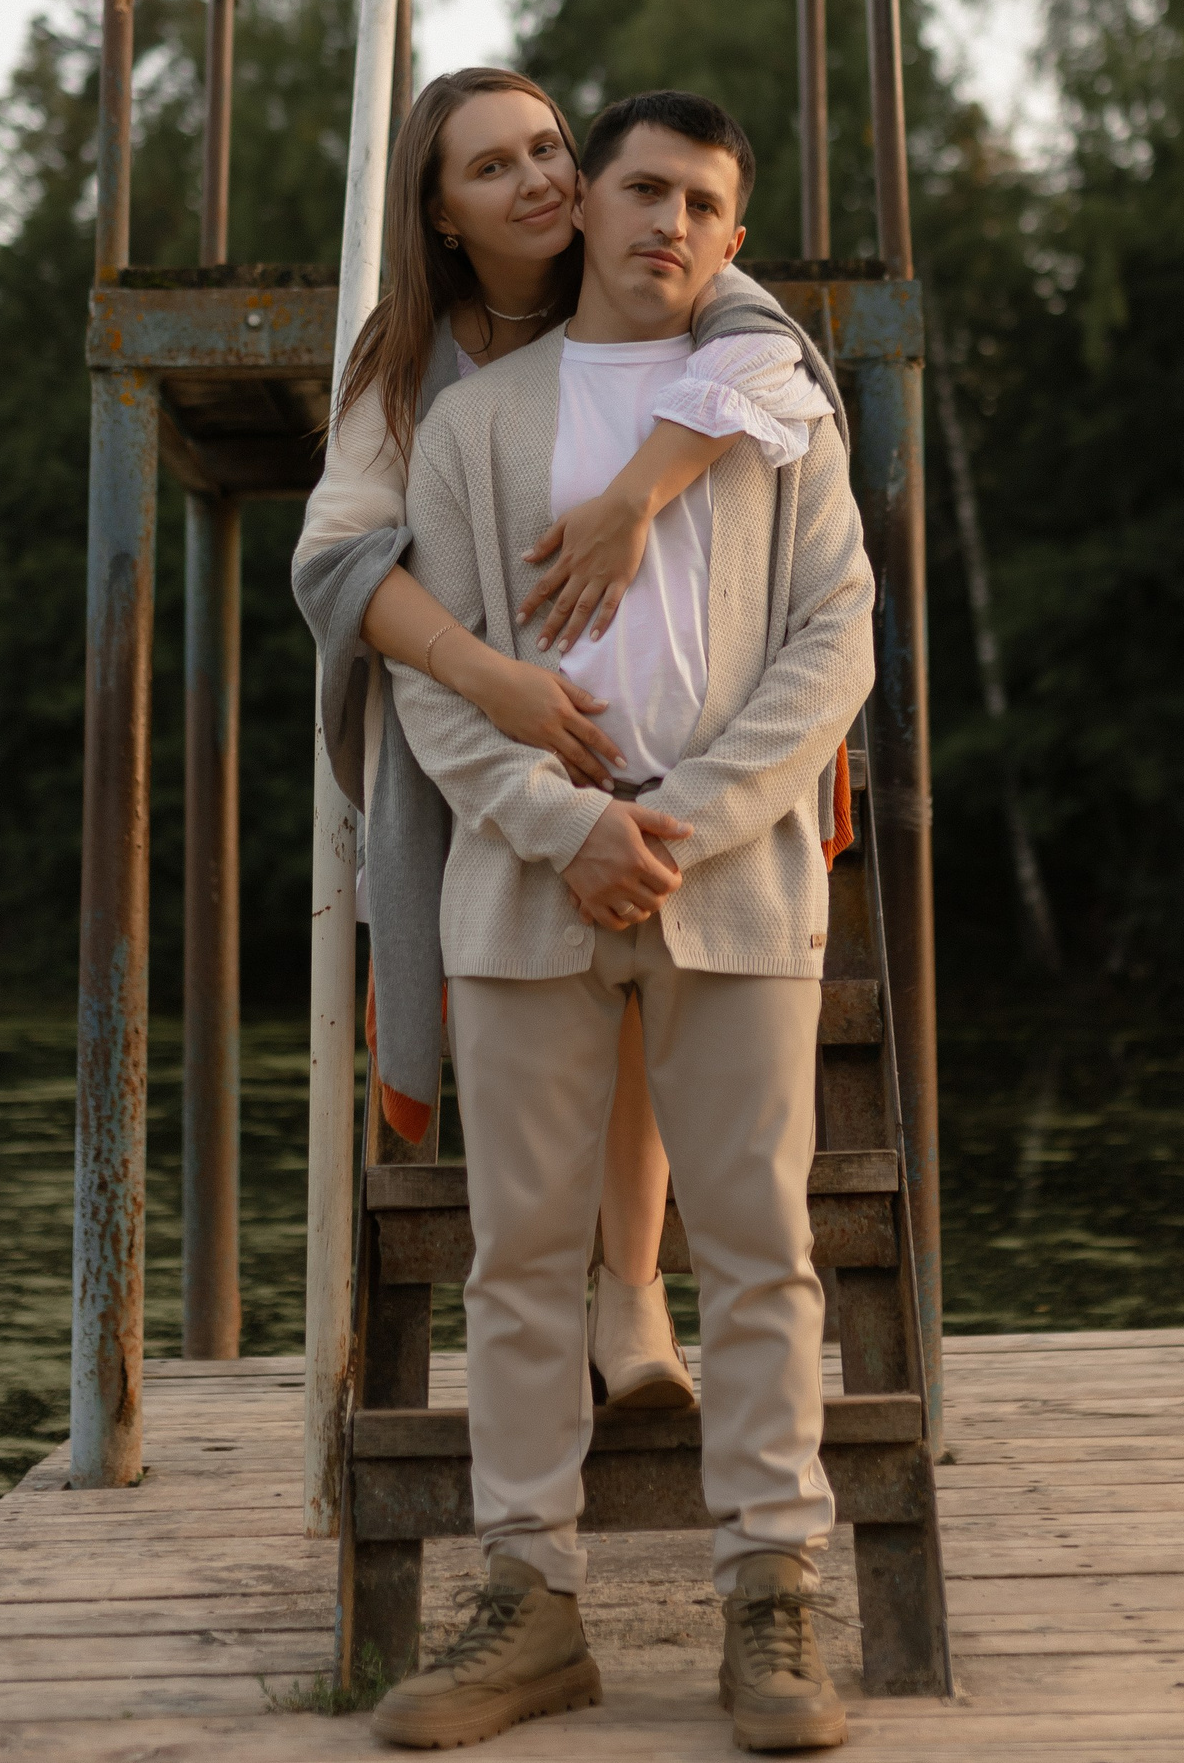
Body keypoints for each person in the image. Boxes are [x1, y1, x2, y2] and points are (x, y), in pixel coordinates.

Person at [369, 89, 873, 1756]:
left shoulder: (770, 407)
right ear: (584, 203)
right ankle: (531, 1602)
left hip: (734, 885)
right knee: (520, 1259)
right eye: (645, 187)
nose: (672, 222)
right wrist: (563, 823)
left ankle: (773, 1592)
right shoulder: (472, 425)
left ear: (736, 241)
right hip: (527, 887)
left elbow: (838, 640)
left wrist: (687, 822)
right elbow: (433, 686)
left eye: (707, 205)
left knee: (761, 1249)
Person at [292, 67, 837, 1409]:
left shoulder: (680, 277)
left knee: (652, 941)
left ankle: (634, 1284)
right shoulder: (413, 370)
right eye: (492, 168)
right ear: (440, 213)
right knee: (538, 974)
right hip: (487, 727)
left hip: (675, 760)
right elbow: (334, 563)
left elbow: (774, 364)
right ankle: (546, 1361)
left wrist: (639, 493)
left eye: (546, 148)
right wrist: (492, 682)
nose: (536, 179)